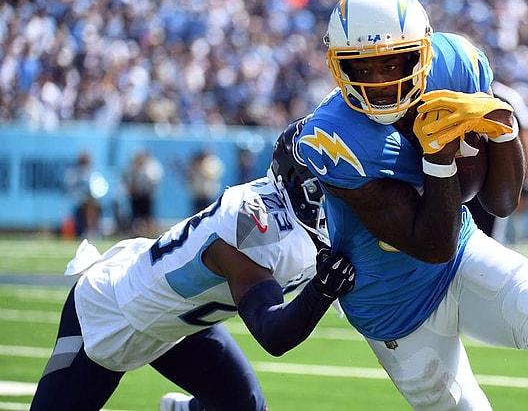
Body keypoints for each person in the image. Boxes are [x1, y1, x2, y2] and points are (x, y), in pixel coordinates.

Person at [297, 0, 528, 410]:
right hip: (393, 305)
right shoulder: (333, 137)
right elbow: (432, 243)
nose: (380, 82)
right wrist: (438, 160)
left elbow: (500, 202)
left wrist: (502, 130)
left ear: (424, 53)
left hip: (464, 257)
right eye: (364, 68)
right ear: (338, 68)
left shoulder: (457, 63)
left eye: (395, 63)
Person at [30, 120, 356, 411]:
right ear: (303, 184)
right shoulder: (252, 223)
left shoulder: (305, 224)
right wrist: (321, 289)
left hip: (182, 326)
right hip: (112, 312)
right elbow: (273, 334)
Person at [466, 80, 528, 246]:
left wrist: (526, 186)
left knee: (489, 241)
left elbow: (526, 137)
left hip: (493, 179)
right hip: (461, 175)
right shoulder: (456, 88)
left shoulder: (506, 96)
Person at [63, 151, 107, 239]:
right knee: (88, 204)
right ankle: (90, 231)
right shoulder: (74, 172)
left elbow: (100, 188)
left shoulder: (93, 172)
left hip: (93, 199)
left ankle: (93, 230)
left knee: (93, 204)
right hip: (79, 199)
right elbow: (71, 189)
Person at [123, 149, 164, 236]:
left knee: (147, 216)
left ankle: (151, 233)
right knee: (136, 216)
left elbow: (153, 180)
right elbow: (128, 179)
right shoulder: (133, 166)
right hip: (136, 195)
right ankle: (137, 232)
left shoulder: (151, 166)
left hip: (147, 195)